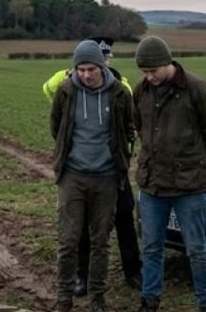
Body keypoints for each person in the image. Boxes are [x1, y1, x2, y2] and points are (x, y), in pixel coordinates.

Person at [126, 36, 206, 312]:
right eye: (144, 71)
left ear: (168, 62)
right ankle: (149, 305)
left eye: (153, 70)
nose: (149, 76)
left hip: (189, 186)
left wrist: (200, 166)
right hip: (153, 183)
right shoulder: (140, 90)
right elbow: (140, 127)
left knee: (196, 248)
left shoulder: (196, 89)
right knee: (152, 247)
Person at [41, 36, 143, 294]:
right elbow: (53, 110)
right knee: (83, 228)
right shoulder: (65, 84)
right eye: (83, 68)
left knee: (124, 219)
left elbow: (129, 117)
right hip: (79, 170)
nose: (89, 73)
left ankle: (133, 272)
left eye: (101, 62)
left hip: (112, 169)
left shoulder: (121, 86)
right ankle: (81, 277)